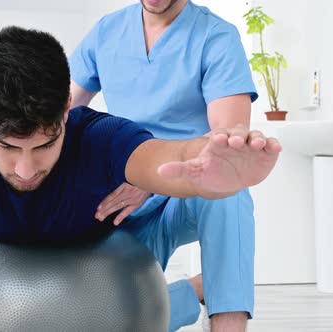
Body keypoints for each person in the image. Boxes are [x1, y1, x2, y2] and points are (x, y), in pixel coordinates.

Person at [0, 26, 280, 328]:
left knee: (220, 209)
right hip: (40, 293)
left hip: (111, 259)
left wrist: (210, 168)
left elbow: (163, 157)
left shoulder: (99, 136)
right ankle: (190, 294)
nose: (26, 169)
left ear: (66, 112)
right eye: (8, 148)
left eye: (44, 145)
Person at [69, 0, 258, 330]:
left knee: (229, 189)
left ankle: (227, 315)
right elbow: (60, 115)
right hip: (122, 200)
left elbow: (229, 144)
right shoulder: (106, 32)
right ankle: (196, 290)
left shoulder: (216, 36)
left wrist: (150, 175)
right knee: (100, 320)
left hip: (187, 191)